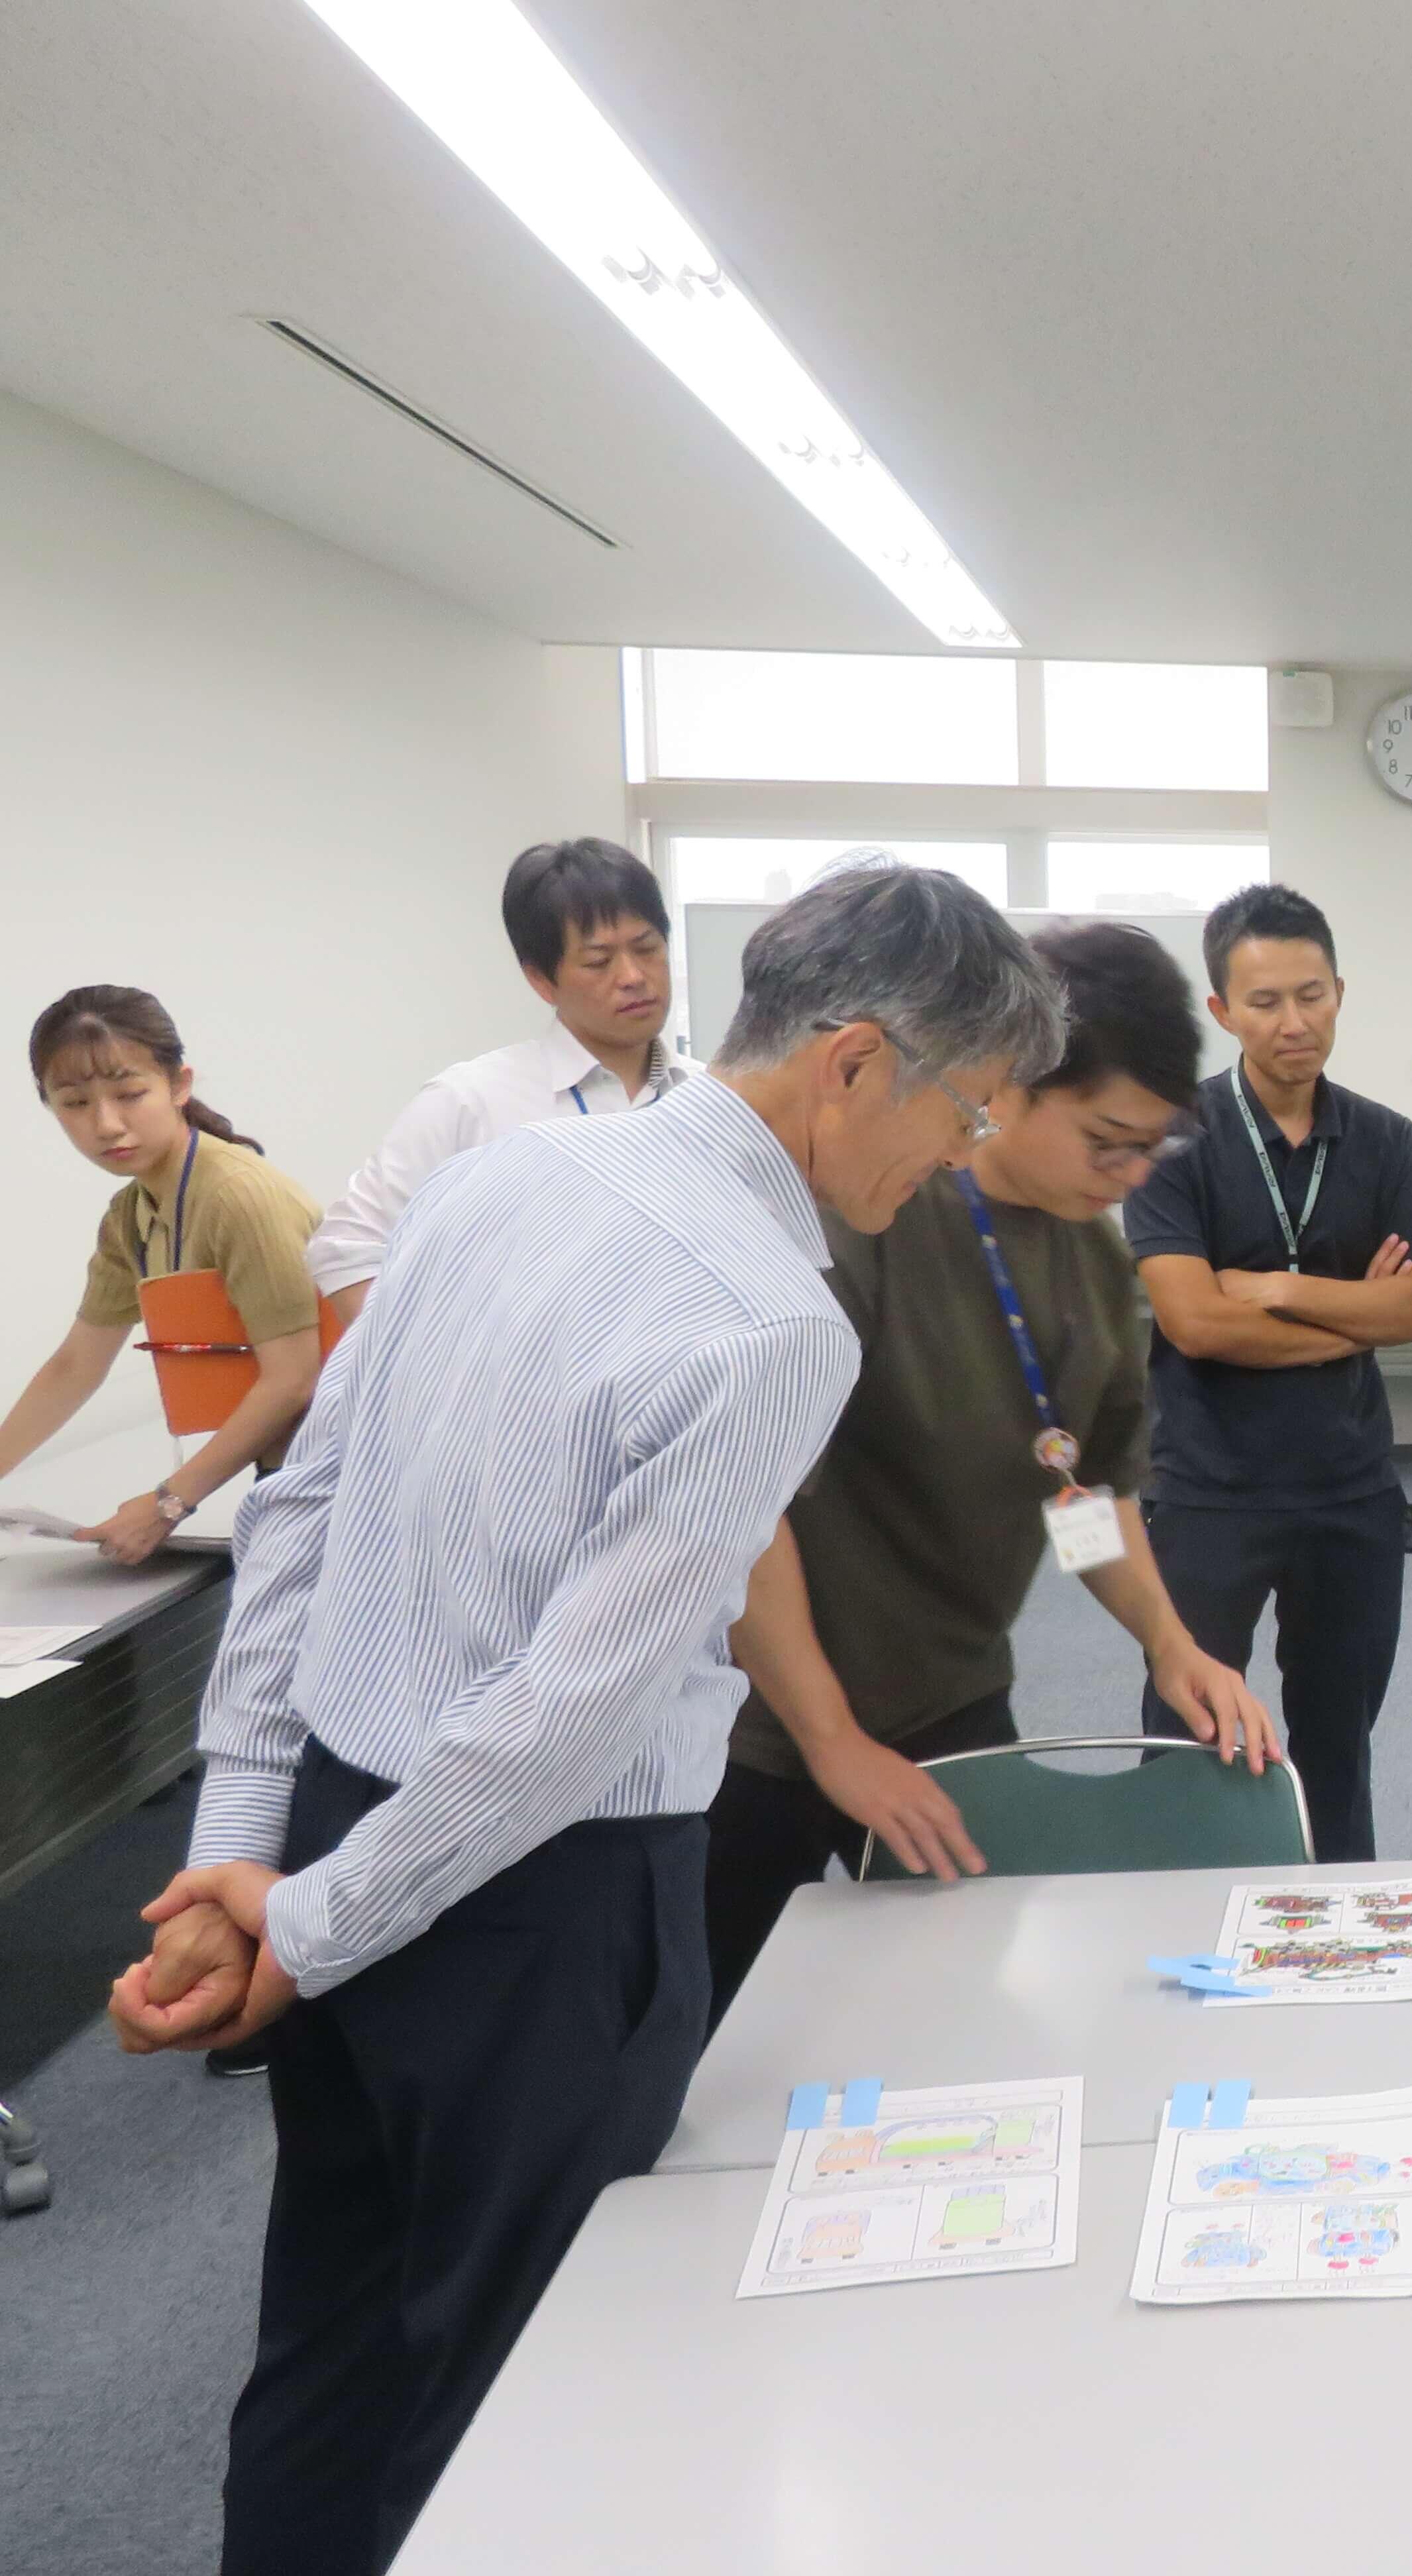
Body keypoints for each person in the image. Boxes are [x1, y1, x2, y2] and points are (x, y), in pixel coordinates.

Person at [103, 860, 1067, 2575]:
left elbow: (299, 1512)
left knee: (331, 2346)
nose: (962, 1155)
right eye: (967, 1109)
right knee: (518, 2400)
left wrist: (251, 1861)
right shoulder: (772, 1322)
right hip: (533, 1907)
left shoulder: (497, 1176)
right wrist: (301, 1924)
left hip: (336, 1825)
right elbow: (568, 1715)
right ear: (854, 1062)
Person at [708, 920, 1277, 2014]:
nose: (1130, 1175)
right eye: (1107, 1141)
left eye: (1152, 1149)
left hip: (949, 1703)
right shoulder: (870, 1212)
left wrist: (1171, 1646)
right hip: (763, 1723)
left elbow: (1081, 1495)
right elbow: (743, 1511)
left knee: (960, 2012)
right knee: (714, 2031)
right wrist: (830, 1737)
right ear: (1010, 1086)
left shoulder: (1091, 1257)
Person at [1126, 887, 1412, 1864]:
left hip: (1351, 1492)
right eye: (1265, 1002)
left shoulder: (1386, 1140)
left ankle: (1346, 1928)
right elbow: (1194, 1324)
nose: (1294, 1022)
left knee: (1338, 1751)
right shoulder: (1173, 1138)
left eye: (1312, 995)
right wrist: (1357, 1316)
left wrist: (1277, 1290)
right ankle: (1176, 1919)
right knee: (1187, 1743)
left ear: (1340, 993)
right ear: (1222, 1011)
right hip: (1208, 1490)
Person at [307, 837, 690, 1325]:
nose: (634, 976)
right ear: (541, 980)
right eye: (599, 961)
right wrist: (436, 1358)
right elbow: (347, 1249)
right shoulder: (472, 1102)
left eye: (648, 948)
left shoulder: (714, 1097)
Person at [0, 988, 321, 1564]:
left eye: (130, 1095)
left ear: (179, 1085)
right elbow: (75, 1366)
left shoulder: (240, 1196)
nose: (106, 1125)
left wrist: (168, 1503)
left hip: (343, 1474)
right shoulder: (130, 1214)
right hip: (283, 1472)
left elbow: (295, 1378)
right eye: (75, 1103)